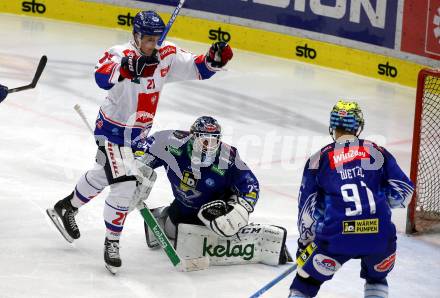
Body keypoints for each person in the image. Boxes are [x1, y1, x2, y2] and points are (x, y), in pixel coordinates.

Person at [46, 10, 233, 274]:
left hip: (138, 132)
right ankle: (112, 242)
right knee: (125, 185)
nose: (152, 44)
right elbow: (101, 76)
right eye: (147, 39)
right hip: (112, 130)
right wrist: (126, 68)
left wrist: (214, 59)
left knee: (104, 174)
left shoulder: (165, 53)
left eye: (155, 39)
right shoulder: (121, 53)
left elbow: (197, 67)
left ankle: (66, 207)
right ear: (135, 35)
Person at [289, 100, 414, 298]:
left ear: (332, 126)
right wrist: (377, 202)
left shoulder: (318, 159)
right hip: (380, 236)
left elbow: (307, 211)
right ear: (358, 126)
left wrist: (304, 244)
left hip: (336, 237)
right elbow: (405, 192)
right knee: (377, 278)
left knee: (305, 281)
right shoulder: (377, 151)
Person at [138, 116, 292, 266]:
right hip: (183, 205)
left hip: (215, 211)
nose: (210, 146)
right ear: (193, 138)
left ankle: (241, 234)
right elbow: (143, 150)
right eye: (205, 140)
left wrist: (241, 209)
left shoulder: (227, 157)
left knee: (215, 232)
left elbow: (250, 185)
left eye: (214, 140)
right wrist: (134, 171)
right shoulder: (172, 142)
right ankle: (166, 214)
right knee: (172, 232)